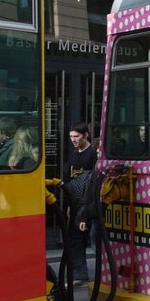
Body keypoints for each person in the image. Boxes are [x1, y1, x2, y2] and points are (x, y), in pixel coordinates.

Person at [63, 122, 98, 284]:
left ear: (86, 135)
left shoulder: (92, 154)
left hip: (88, 201)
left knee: (92, 237)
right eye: (71, 137)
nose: (73, 140)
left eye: (76, 136)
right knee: (76, 239)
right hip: (75, 201)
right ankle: (79, 274)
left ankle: (96, 272)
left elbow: (93, 182)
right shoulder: (74, 154)